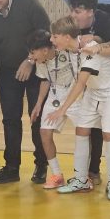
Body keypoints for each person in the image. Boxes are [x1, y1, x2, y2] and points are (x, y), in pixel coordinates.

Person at [45, 16, 110, 201]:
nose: (51, 39)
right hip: (93, 91)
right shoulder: (71, 49)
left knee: (108, 134)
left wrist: (61, 110)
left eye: (55, 36)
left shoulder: (89, 49)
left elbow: (80, 83)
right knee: (81, 130)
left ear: (66, 37)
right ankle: (81, 179)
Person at [0, 0, 50, 184]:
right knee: (10, 120)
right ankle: (11, 167)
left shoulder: (28, 3)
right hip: (8, 72)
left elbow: (45, 34)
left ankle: (41, 164)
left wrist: (30, 60)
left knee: (36, 117)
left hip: (36, 69)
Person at [68, 0, 110, 185]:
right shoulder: (75, 25)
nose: (73, 15)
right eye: (72, 10)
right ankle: (90, 173)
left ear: (91, 11)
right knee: (89, 129)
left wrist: (97, 41)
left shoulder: (105, 20)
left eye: (78, 11)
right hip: (93, 81)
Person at [27, 29, 81, 190]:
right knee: (44, 132)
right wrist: (38, 104)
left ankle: (83, 176)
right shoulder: (41, 61)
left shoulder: (65, 51)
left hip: (75, 92)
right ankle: (57, 175)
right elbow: (45, 80)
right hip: (55, 93)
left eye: (33, 52)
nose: (31, 57)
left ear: (45, 50)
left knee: (84, 134)